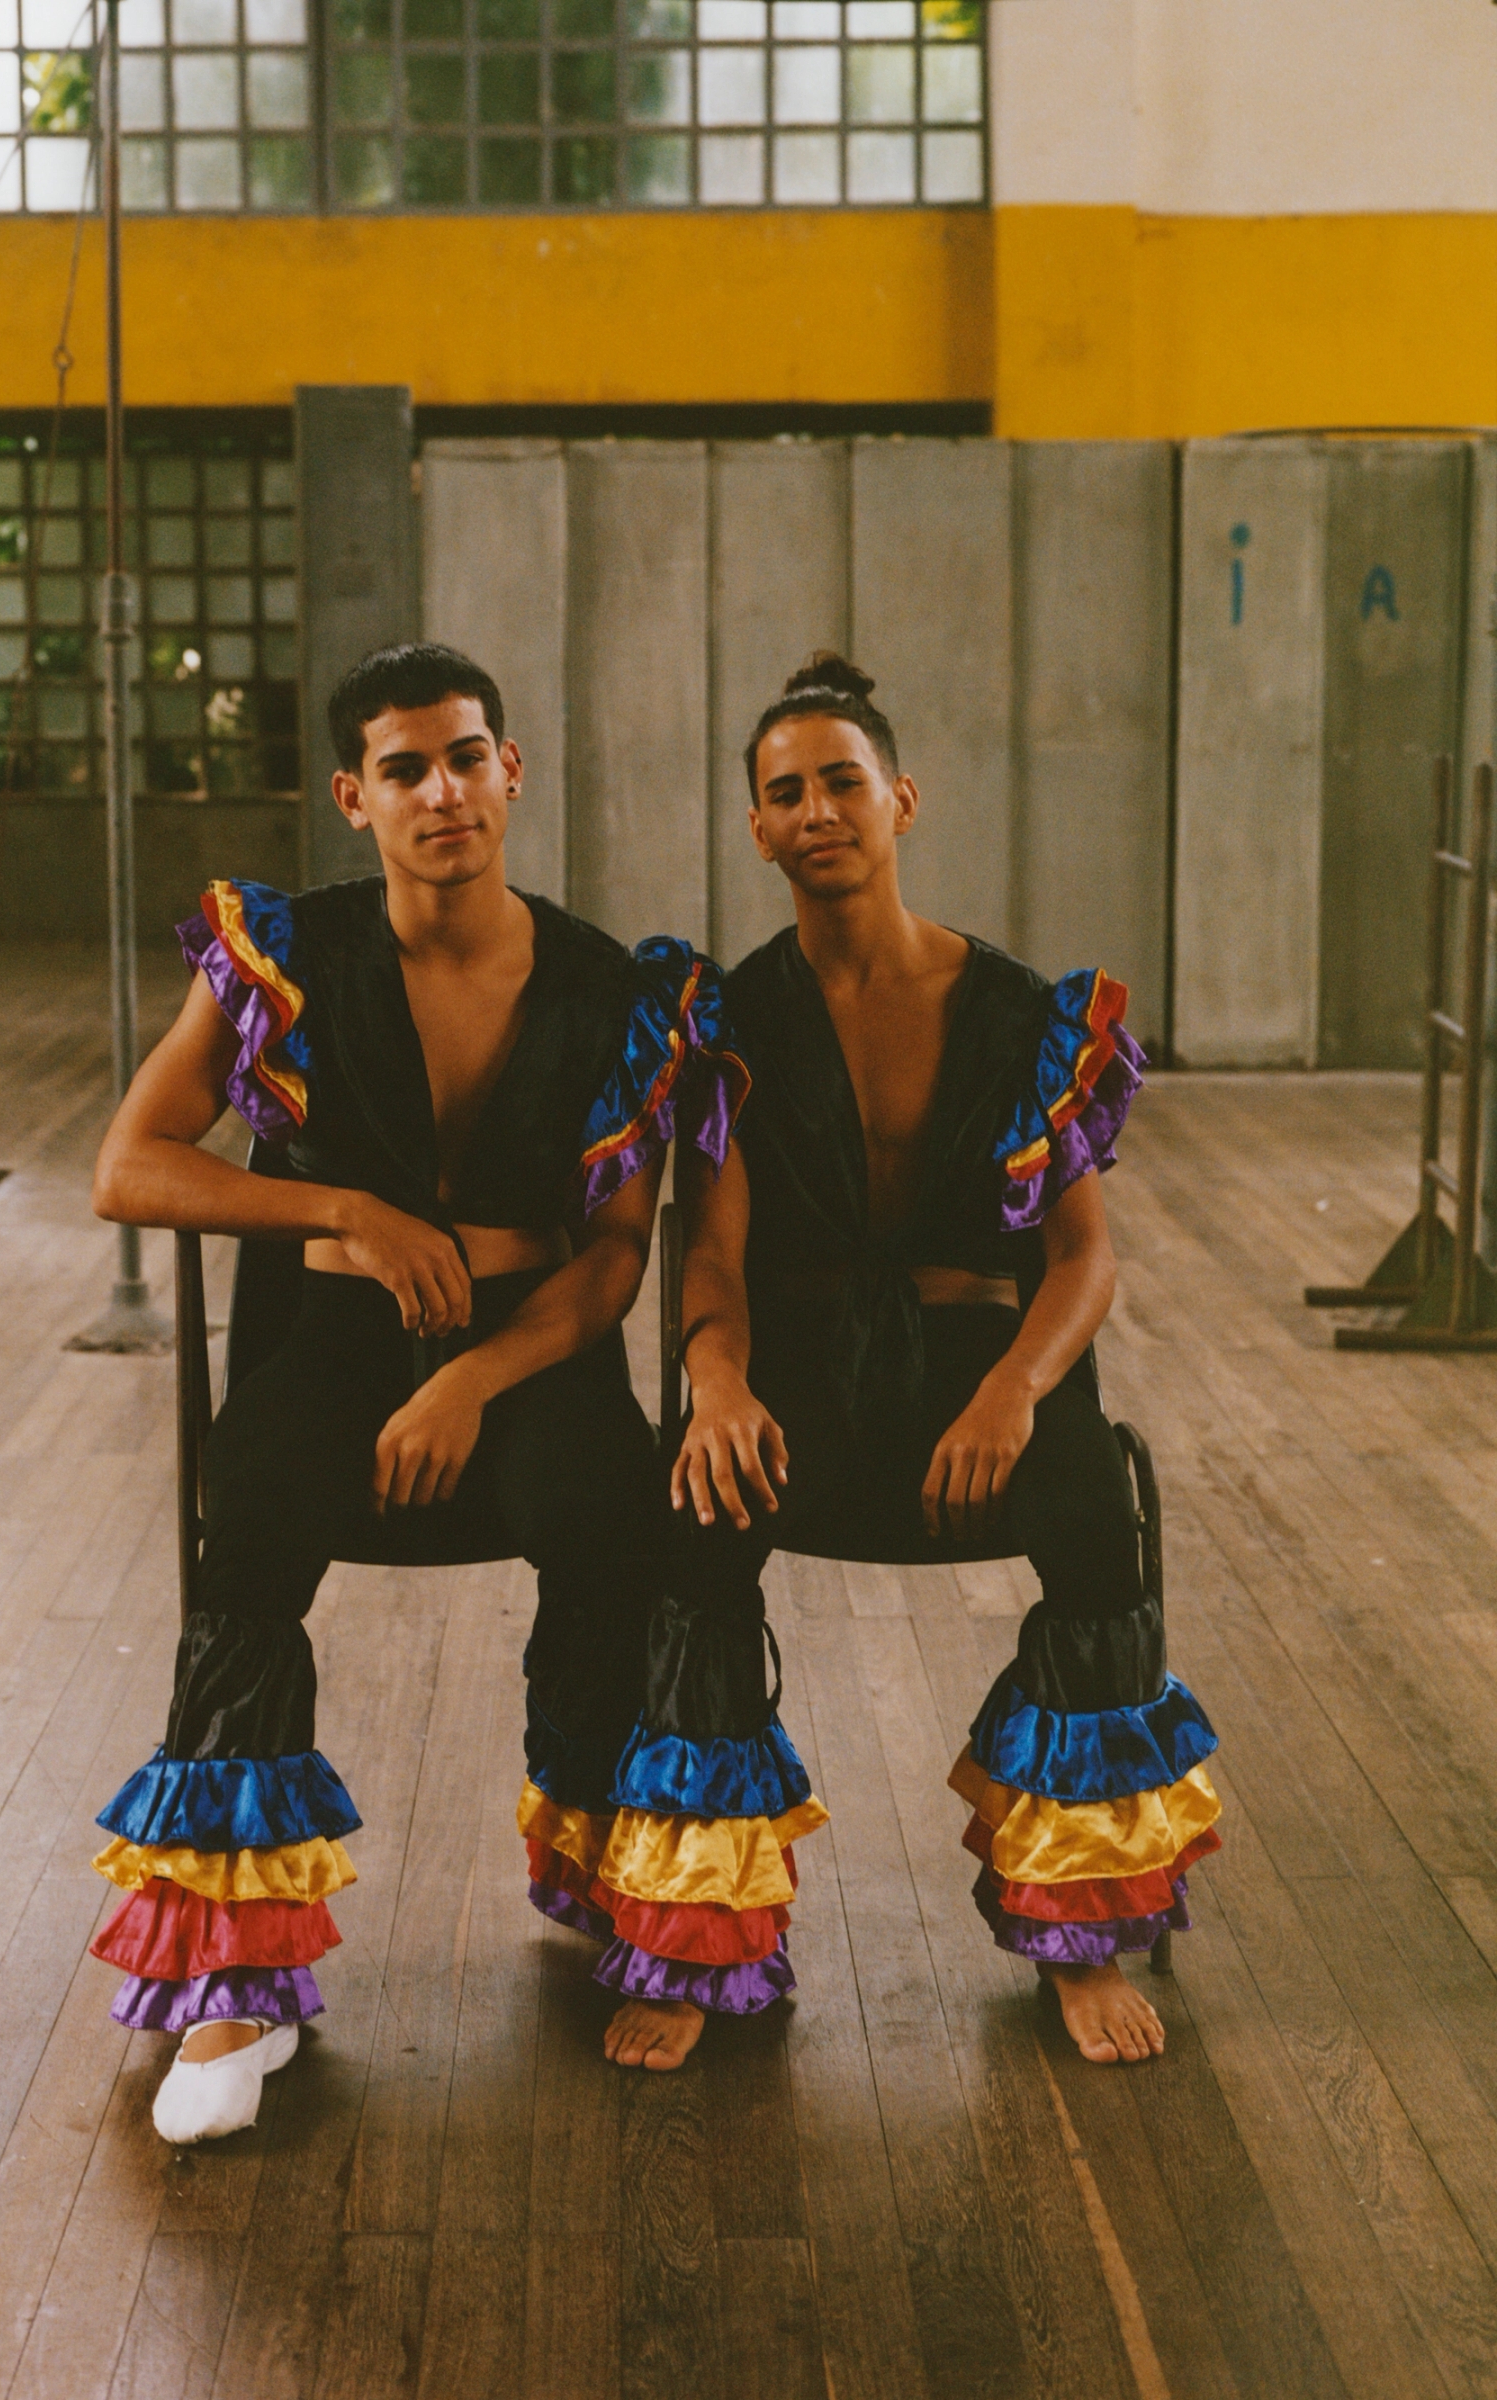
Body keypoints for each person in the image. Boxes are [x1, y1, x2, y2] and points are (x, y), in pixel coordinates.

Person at [86, 642, 736, 2141]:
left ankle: (618, 1874)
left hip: (529, 1339)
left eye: (465, 756)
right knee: (243, 1537)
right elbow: (128, 1167)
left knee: (613, 1522)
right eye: (404, 768)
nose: (442, 790)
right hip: (336, 1331)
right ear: (354, 798)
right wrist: (346, 1215)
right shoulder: (286, 954)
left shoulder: (606, 983)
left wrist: (478, 1380)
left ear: (511, 769)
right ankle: (237, 1986)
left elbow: (618, 1256)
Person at [621, 653, 1219, 2073]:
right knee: (701, 1512)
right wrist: (717, 1382)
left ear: (902, 798)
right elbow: (709, 1250)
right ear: (757, 831)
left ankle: (1080, 1939)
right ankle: (702, 1940)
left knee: (1088, 1510)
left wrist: (1014, 1388)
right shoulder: (734, 1020)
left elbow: (1081, 1260)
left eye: (843, 781)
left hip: (982, 1359)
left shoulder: (1023, 1011)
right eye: (786, 793)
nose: (818, 809)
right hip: (807, 1363)